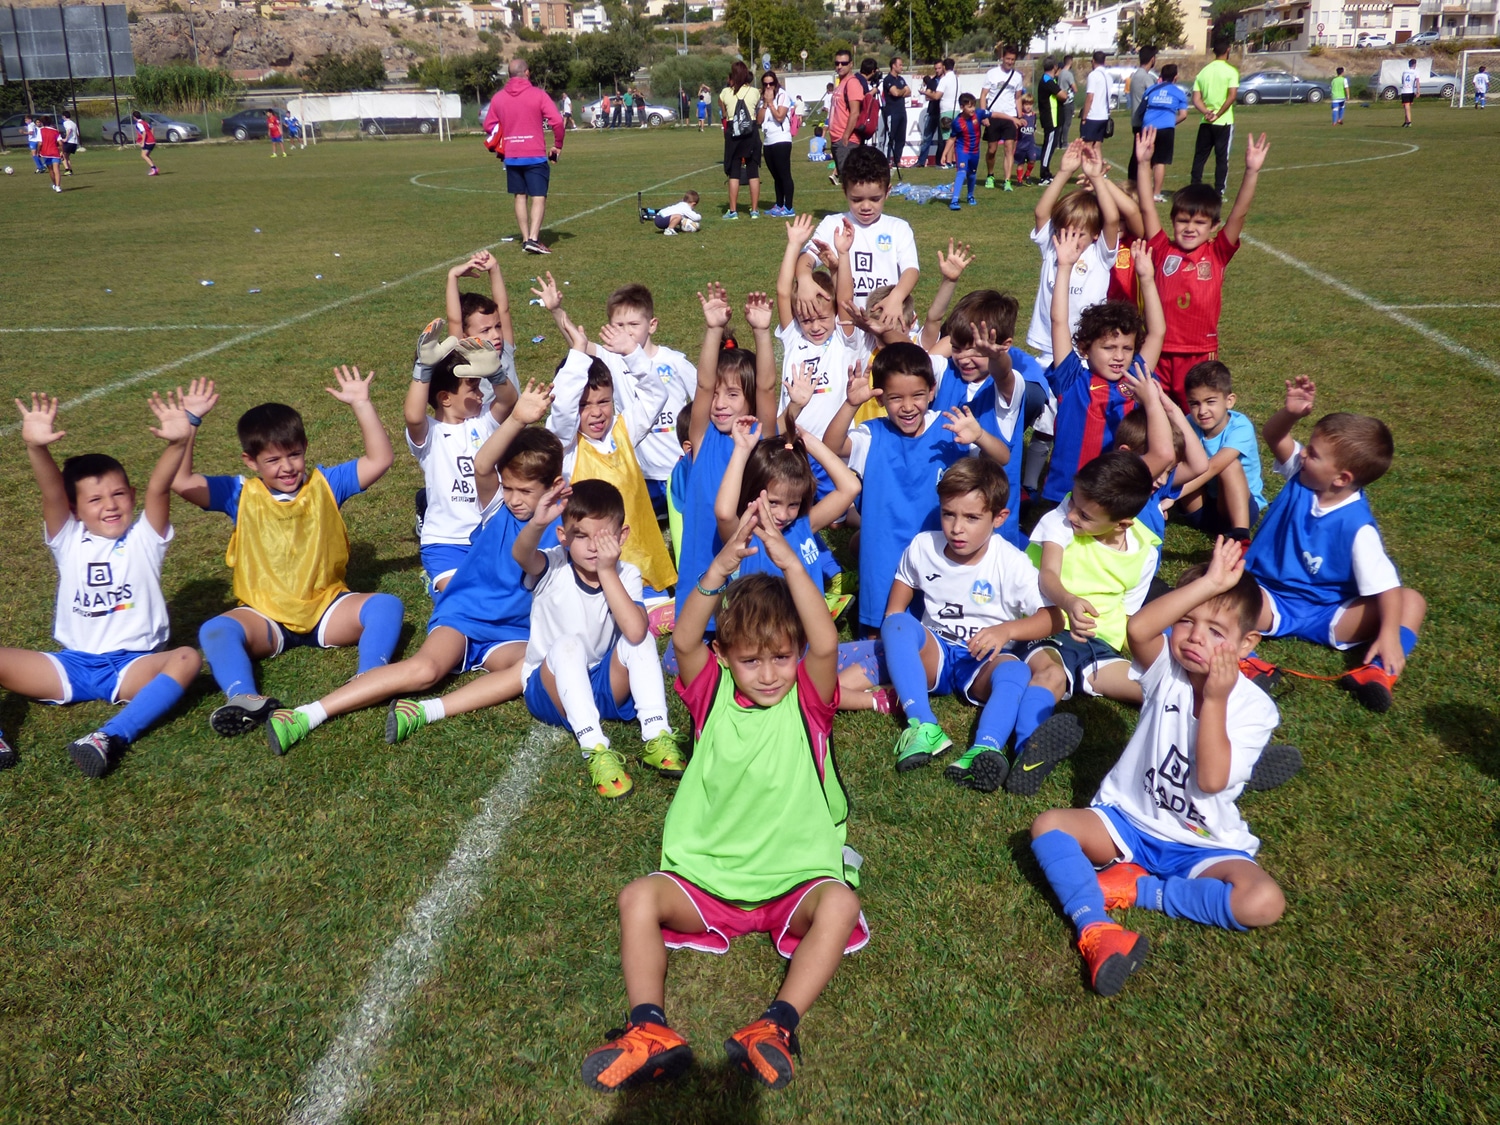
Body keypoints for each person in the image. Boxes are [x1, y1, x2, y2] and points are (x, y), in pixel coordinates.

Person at [580, 506, 866, 1094]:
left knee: (840, 902)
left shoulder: (807, 701)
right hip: (707, 881)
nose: (767, 675)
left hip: (793, 881)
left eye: (781, 658)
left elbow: (825, 639)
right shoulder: (710, 697)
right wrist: (722, 563)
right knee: (638, 897)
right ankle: (648, 1029)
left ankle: (777, 1026)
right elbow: (684, 637)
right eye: (750, 660)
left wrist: (787, 560)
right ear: (726, 657)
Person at [1029, 537, 1286, 997]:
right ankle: (1096, 930)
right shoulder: (1167, 669)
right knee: (1049, 825)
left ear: (1248, 644)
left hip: (1201, 843)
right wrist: (1209, 582)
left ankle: (1138, 890)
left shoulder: (1254, 709)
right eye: (1187, 621)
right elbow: (1140, 630)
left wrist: (1215, 699)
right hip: (1128, 821)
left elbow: (1210, 779)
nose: (1195, 638)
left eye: (1216, 632)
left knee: (1263, 901)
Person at [263, 386, 562, 756]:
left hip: (514, 629)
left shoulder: (565, 523)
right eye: (510, 488)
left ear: (555, 487)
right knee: (425, 671)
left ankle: (423, 712)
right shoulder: (497, 503)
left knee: (528, 668)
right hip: (465, 614)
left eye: (526, 491)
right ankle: (306, 715)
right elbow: (484, 465)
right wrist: (517, 417)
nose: (515, 498)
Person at [172, 369, 403, 741]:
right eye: (274, 460)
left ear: (305, 448)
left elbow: (380, 459)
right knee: (216, 629)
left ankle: (370, 678)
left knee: (386, 606)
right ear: (251, 462)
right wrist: (190, 424)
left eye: (294, 455)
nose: (287, 467)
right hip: (265, 615)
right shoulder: (239, 493)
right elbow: (181, 482)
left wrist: (362, 403)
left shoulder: (326, 484)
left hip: (326, 607)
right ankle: (243, 697)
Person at [2, 392, 202, 778]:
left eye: (118, 494)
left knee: (188, 659)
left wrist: (179, 443)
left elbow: (158, 490)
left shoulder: (146, 538)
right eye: (95, 499)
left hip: (132, 666)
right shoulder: (68, 539)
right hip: (71, 664)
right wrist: (35, 448)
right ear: (76, 510)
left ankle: (108, 737)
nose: (110, 505)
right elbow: (51, 492)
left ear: (130, 496)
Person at [880, 457, 1068, 788]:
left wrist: (1006, 630)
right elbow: (896, 606)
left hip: (982, 662)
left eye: (971, 517)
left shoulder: (1011, 562)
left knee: (1015, 671)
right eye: (948, 514)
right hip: (936, 653)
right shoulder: (923, 546)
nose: (956, 527)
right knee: (896, 624)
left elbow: (1053, 618)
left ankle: (985, 749)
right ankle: (923, 726)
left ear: (999, 518)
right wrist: (896, 639)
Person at [1244, 377, 1426, 713]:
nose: (1303, 453)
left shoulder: (1358, 527)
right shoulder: (1303, 474)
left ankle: (1377, 672)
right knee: (1218, 590)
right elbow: (1274, 436)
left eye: (1312, 453)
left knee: (1410, 601)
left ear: (1341, 478)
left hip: (1330, 612)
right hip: (1269, 596)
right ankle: (1248, 664)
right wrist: (1290, 413)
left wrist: (1388, 633)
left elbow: (1386, 587)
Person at [515, 479, 682, 798]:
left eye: (603, 537)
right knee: (568, 645)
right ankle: (595, 748)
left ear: (622, 537)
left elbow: (634, 631)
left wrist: (607, 572)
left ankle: (657, 733)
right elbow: (522, 555)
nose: (593, 547)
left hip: (600, 682)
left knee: (641, 638)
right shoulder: (552, 565)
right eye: (582, 536)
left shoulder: (626, 573)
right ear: (563, 537)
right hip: (549, 688)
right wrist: (538, 521)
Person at [822, 342, 998, 636]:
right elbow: (832, 447)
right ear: (880, 398)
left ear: (932, 391)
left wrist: (979, 436)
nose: (907, 406)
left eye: (917, 395)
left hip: (940, 551)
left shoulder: (950, 427)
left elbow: (1000, 459)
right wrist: (851, 403)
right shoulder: (871, 434)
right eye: (895, 398)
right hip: (884, 555)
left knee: (940, 631)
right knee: (879, 633)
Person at [1134, 127, 1269, 406]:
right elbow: (1147, 208)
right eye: (1183, 221)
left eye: (1199, 223)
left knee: (1196, 419)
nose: (1190, 228)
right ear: (1173, 221)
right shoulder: (1161, 248)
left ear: (1213, 226)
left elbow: (1239, 214)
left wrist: (1251, 171)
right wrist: (1144, 163)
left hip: (1199, 353)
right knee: (1151, 414)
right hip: (1158, 350)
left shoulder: (1217, 252)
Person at [674, 283, 779, 621]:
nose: (719, 403)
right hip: (700, 560)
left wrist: (761, 333)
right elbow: (703, 383)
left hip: (745, 563)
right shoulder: (703, 436)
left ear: (749, 402)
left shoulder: (759, 438)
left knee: (745, 632)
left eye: (733, 395)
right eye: (717, 395)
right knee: (694, 649)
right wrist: (713, 329)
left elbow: (765, 386)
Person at [1042, 233, 1164, 509]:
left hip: (1115, 497)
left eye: (1127, 348)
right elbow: (1059, 322)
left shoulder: (1135, 379)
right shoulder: (1072, 379)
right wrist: (1064, 268)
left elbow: (1157, 333)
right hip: (1065, 494)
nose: (1119, 356)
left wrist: (1145, 278)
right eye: (1109, 348)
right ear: (1085, 348)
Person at [404, 329, 513, 595]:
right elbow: (413, 416)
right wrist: (424, 369)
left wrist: (496, 373)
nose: (480, 395)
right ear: (445, 398)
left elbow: (509, 401)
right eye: (473, 388)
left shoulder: (484, 421)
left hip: (490, 536)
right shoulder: (431, 434)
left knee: (501, 593)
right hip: (445, 542)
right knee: (464, 597)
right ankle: (435, 582)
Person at [796, 146, 920, 325]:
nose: (866, 206)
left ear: (888, 191)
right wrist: (804, 278)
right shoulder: (833, 224)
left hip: (887, 319)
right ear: (845, 191)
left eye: (875, 199)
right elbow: (806, 257)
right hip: (848, 326)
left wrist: (896, 297)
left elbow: (911, 270)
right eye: (857, 199)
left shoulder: (898, 228)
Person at [483, 57, 564, 255]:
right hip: (534, 154)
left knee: (520, 196)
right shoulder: (538, 95)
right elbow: (558, 122)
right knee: (538, 196)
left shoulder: (499, 98)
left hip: (512, 156)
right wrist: (557, 145)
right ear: (527, 73)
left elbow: (488, 125)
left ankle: (525, 237)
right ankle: (533, 239)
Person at [1174, 361, 1263, 542]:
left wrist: (1170, 496)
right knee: (1180, 453)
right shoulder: (1189, 422)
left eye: (1210, 402)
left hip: (1236, 512)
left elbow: (1214, 467)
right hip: (1202, 510)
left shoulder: (1241, 427)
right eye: (1194, 403)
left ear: (1229, 401)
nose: (1202, 411)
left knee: (1229, 466)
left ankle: (1240, 536)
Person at [1190, 39, 1240, 196]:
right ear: (1228, 50)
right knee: (1221, 157)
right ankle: (1218, 191)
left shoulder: (1203, 72)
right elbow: (1232, 96)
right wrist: (1218, 114)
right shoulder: (1231, 71)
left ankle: (1194, 187)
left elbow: (1196, 99)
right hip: (1223, 121)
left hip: (1206, 121)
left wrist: (1206, 112)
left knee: (1200, 156)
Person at [1138, 65, 1190, 201]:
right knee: (1160, 162)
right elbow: (1183, 115)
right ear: (1176, 77)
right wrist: (1171, 122)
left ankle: (1145, 192)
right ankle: (1156, 194)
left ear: (1161, 76)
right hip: (1166, 128)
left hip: (1148, 127)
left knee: (1146, 161)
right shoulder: (1178, 92)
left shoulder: (1151, 89)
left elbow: (1142, 109)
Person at [721, 60, 763, 219]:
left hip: (733, 133)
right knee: (753, 171)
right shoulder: (754, 92)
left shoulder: (726, 92)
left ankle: (733, 211)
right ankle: (754, 210)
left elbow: (723, 108)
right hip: (750, 132)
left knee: (734, 172)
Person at [981, 43, 1024, 191]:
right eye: (1008, 59)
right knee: (992, 150)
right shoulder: (992, 74)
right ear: (1002, 58)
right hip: (993, 115)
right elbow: (983, 95)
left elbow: (1018, 98)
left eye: (1013, 60)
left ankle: (1007, 181)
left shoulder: (1017, 77)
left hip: (1010, 116)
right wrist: (983, 115)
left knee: (1008, 148)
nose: (1010, 62)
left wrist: (1019, 116)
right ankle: (990, 175)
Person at [760, 69, 796, 217]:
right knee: (776, 175)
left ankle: (788, 207)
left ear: (776, 83)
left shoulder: (782, 96)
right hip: (768, 141)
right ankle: (779, 203)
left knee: (784, 174)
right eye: (765, 84)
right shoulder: (763, 99)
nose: (768, 87)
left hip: (781, 139)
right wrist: (764, 105)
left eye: (771, 83)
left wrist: (771, 104)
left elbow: (780, 117)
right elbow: (759, 120)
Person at [827, 50, 866, 184]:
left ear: (851, 64)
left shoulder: (852, 83)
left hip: (847, 140)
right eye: (837, 63)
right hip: (837, 139)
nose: (839, 66)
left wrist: (845, 136)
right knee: (847, 181)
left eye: (843, 63)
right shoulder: (841, 84)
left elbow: (855, 112)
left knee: (851, 182)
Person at [948, 93, 990, 210]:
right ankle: (954, 200)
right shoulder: (957, 122)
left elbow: (995, 114)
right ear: (962, 107)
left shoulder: (979, 114)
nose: (972, 109)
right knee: (961, 172)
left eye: (973, 106)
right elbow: (952, 139)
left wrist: (1012, 119)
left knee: (972, 174)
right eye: (969, 106)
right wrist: (944, 154)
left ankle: (970, 196)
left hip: (975, 152)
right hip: (962, 150)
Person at [916, 58, 958, 168]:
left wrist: (925, 92)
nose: (938, 70)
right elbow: (929, 97)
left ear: (944, 67)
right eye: (936, 69)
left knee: (945, 138)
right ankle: (922, 161)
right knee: (929, 137)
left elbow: (935, 96)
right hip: (936, 111)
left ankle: (943, 161)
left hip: (945, 111)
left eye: (940, 68)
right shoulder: (934, 81)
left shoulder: (945, 80)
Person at [1124, 46, 1157, 183]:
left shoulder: (1136, 75)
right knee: (1143, 155)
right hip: (1144, 121)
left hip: (1136, 119)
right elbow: (1153, 97)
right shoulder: (1146, 77)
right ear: (1152, 59)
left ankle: (1132, 180)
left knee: (1136, 152)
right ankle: (1137, 181)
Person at [881, 55, 910, 169]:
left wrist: (901, 91)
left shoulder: (901, 79)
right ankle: (886, 161)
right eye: (900, 65)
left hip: (902, 112)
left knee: (901, 138)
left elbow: (909, 91)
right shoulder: (888, 79)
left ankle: (897, 160)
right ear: (893, 66)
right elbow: (896, 93)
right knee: (890, 138)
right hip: (892, 112)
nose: (902, 67)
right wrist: (902, 91)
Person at [1080, 50, 1112, 145]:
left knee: (1087, 147)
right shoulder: (1108, 76)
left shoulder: (1093, 75)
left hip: (1093, 116)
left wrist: (1084, 117)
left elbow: (1090, 97)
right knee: (1097, 147)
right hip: (1104, 116)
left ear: (1093, 61)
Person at [1037, 57, 1062, 182]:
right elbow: (1063, 95)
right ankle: (1044, 174)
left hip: (1053, 118)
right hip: (1049, 118)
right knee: (1048, 146)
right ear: (1054, 67)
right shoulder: (1048, 81)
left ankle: (1046, 172)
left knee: (1051, 146)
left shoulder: (1050, 80)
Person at [1014, 94, 1040, 183]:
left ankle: (1027, 175)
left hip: (1030, 144)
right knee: (1020, 163)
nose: (1028, 106)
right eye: (1026, 104)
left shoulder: (1034, 115)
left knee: (1032, 160)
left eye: (1030, 104)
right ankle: (1019, 180)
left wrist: (1034, 141)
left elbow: (1033, 129)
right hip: (1021, 144)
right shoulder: (1020, 116)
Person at [35, 117, 63, 193]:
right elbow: (60, 143)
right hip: (55, 152)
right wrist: (61, 152)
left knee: (51, 170)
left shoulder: (40, 130)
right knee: (57, 170)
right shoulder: (55, 131)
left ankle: (55, 185)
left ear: (42, 123)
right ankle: (58, 186)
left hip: (46, 153)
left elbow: (40, 143)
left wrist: (38, 151)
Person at [1057, 54, 1077, 143]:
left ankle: (1058, 142)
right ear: (1071, 62)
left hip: (1060, 100)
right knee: (1067, 123)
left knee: (1060, 123)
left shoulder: (1059, 73)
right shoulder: (1068, 74)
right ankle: (1065, 142)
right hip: (1068, 101)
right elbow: (1075, 88)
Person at [132, 110, 159, 176]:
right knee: (146, 155)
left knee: (143, 155)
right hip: (152, 141)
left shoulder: (139, 124)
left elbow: (144, 132)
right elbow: (152, 128)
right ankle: (154, 168)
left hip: (148, 142)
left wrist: (143, 142)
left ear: (134, 117)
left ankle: (154, 169)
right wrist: (152, 136)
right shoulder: (145, 122)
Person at [1400, 58, 1420, 126]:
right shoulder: (1415, 72)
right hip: (1411, 91)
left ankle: (1409, 121)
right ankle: (1406, 122)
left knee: (1406, 106)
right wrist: (1418, 91)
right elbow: (1417, 81)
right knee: (1407, 107)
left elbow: (1402, 81)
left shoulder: (1404, 71)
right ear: (1414, 65)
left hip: (1405, 91)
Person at [60, 111, 79, 176]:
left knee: (62, 156)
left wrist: (66, 138)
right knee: (67, 157)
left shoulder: (66, 122)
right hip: (74, 142)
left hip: (69, 141)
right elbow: (77, 133)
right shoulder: (74, 123)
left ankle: (67, 170)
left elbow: (69, 130)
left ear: (64, 116)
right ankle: (70, 170)